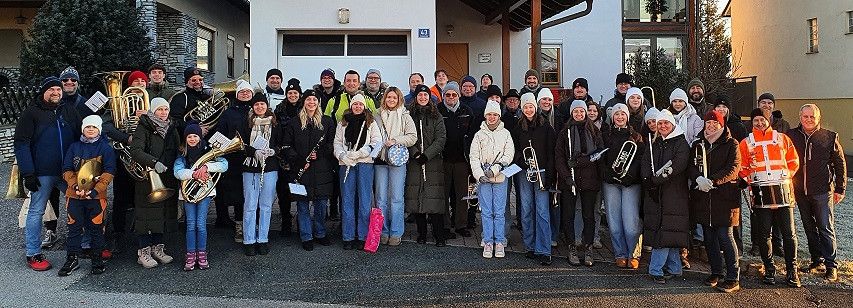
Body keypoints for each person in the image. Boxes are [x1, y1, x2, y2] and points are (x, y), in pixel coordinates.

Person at [15, 77, 82, 271]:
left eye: (58, 89)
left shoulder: (68, 110)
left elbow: (81, 134)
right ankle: (33, 253)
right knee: (36, 211)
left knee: (80, 204)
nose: (56, 92)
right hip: (42, 172)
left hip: (67, 172)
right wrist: (28, 173)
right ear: (44, 91)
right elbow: (21, 144)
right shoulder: (31, 113)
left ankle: (85, 244)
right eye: (51, 89)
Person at [739, 108, 801, 288]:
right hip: (760, 192)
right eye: (756, 120)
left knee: (789, 234)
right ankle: (769, 268)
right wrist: (748, 179)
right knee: (764, 234)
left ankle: (792, 270)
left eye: (762, 120)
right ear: (752, 122)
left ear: (769, 121)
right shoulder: (746, 142)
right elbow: (742, 166)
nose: (759, 123)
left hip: (783, 191)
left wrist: (786, 175)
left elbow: (794, 160)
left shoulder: (782, 138)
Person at [787, 104, 847, 282]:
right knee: (809, 228)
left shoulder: (829, 137)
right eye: (805, 116)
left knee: (825, 227)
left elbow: (840, 163)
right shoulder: (791, 136)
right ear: (800, 117)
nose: (808, 120)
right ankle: (816, 260)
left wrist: (840, 188)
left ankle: (831, 265)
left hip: (822, 191)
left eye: (812, 117)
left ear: (818, 117)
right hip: (800, 191)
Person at [689, 110, 742, 293]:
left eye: (715, 123)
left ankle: (733, 276)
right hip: (704, 198)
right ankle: (716, 272)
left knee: (725, 237)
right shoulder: (698, 144)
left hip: (724, 198)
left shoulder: (731, 143)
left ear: (722, 124)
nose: (711, 126)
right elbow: (691, 166)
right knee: (709, 238)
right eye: (708, 123)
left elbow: (733, 168)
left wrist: (712, 181)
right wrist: (698, 180)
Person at [57, 115, 115, 276]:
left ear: (99, 130)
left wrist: (95, 190)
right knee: (74, 228)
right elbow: (67, 169)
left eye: (94, 127)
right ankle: (72, 258)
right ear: (83, 129)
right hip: (74, 195)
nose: (91, 129)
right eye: (88, 127)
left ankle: (97, 259)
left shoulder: (105, 148)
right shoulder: (74, 147)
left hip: (96, 196)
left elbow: (109, 172)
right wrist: (75, 186)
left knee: (96, 228)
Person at [129, 97, 180, 268]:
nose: (163, 113)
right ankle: (143, 251)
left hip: (167, 177)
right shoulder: (144, 127)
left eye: (166, 109)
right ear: (153, 111)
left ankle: (158, 249)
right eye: (159, 110)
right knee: (146, 214)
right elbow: (135, 151)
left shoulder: (171, 127)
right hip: (148, 177)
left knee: (163, 214)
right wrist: (153, 162)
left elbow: (178, 148)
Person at [641, 109, 691, 284]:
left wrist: (657, 179)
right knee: (663, 229)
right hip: (656, 193)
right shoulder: (654, 143)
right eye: (660, 123)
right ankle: (674, 267)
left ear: (672, 124)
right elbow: (646, 162)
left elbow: (678, 165)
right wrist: (648, 180)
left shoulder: (681, 144)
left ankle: (655, 269)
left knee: (665, 229)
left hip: (674, 193)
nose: (662, 126)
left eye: (666, 123)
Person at [283, 89, 336, 251]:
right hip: (300, 170)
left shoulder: (327, 122)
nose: (311, 102)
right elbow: (286, 146)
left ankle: (320, 233)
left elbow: (332, 144)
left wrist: (319, 154)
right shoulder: (294, 122)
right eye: (308, 100)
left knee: (321, 205)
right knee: (302, 205)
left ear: (318, 102)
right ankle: (306, 236)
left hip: (322, 171)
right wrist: (299, 160)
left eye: (314, 99)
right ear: (303, 102)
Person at [173, 122, 227, 271]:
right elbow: (177, 171)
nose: (192, 139)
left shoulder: (208, 150)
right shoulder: (182, 153)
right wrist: (194, 174)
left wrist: (206, 167)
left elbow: (224, 165)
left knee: (201, 225)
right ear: (185, 138)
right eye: (189, 136)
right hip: (188, 193)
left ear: (200, 136)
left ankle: (202, 253)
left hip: (205, 192)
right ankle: (190, 254)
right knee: (190, 224)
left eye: (195, 136)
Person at [555, 100, 603, 266]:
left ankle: (588, 246)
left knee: (588, 215)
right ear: (571, 113)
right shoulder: (565, 132)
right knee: (568, 215)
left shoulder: (594, 131)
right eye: (576, 111)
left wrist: (581, 162)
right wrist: (567, 177)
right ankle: (571, 247)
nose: (579, 114)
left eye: (581, 111)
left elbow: (599, 154)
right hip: (570, 180)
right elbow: (559, 158)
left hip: (590, 180)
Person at [513, 92, 556, 265]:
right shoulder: (518, 127)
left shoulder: (546, 127)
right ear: (522, 109)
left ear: (535, 107)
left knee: (542, 211)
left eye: (531, 106)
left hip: (542, 172)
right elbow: (514, 149)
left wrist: (550, 177)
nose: (529, 109)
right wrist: (520, 160)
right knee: (527, 209)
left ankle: (544, 249)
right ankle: (530, 246)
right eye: (525, 107)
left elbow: (552, 152)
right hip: (525, 172)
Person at [334, 94, 381, 250]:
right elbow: (337, 142)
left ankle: (362, 236)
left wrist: (360, 153)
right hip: (346, 163)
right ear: (351, 106)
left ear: (364, 106)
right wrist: (342, 155)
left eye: (361, 104)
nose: (358, 107)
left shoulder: (370, 122)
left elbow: (376, 141)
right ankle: (348, 236)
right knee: (347, 200)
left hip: (364, 164)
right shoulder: (343, 123)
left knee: (364, 200)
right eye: (355, 104)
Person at [601, 103, 644, 270]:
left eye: (623, 114)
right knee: (614, 220)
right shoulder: (605, 136)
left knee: (631, 220)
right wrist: (609, 174)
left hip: (630, 183)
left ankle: (633, 253)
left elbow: (640, 159)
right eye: (617, 114)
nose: (620, 117)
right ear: (612, 118)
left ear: (627, 117)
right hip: (611, 183)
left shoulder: (636, 136)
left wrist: (629, 175)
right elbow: (601, 158)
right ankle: (619, 253)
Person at [469, 100, 514, 258]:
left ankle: (499, 241)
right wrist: (479, 174)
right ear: (485, 116)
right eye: (490, 114)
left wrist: (495, 169)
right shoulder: (479, 135)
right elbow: (473, 157)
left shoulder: (506, 134)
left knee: (499, 211)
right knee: (487, 211)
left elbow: (508, 155)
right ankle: (488, 241)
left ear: (499, 116)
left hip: (499, 177)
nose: (492, 117)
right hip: (483, 178)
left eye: (495, 114)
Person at [238, 94, 282, 256]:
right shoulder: (246, 123)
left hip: (270, 168)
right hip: (250, 167)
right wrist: (254, 151)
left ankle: (263, 238)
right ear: (253, 107)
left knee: (266, 205)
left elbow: (280, 144)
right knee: (250, 205)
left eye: (262, 104)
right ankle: (249, 240)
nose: (260, 107)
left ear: (267, 106)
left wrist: (273, 151)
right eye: (256, 105)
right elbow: (240, 144)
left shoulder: (275, 124)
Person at [373, 87, 417, 246]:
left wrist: (396, 140)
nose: (391, 100)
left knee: (397, 198)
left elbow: (413, 137)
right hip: (380, 160)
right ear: (384, 98)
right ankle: (382, 231)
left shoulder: (405, 116)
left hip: (398, 160)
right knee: (380, 198)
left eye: (394, 97)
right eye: (388, 97)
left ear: (399, 99)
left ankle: (396, 232)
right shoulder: (376, 115)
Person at [406, 85, 448, 247]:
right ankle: (421, 233)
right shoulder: (409, 115)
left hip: (433, 162)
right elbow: (406, 135)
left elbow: (441, 138)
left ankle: (439, 235)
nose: (422, 98)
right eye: (420, 95)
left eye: (425, 95)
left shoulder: (436, 115)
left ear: (429, 97)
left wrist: (427, 155)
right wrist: (415, 153)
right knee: (417, 198)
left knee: (435, 198)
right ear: (415, 97)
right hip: (415, 162)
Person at [215, 80, 253, 242]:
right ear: (237, 95)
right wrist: (225, 149)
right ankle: (239, 225)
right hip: (235, 158)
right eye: (242, 92)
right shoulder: (228, 113)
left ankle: (252, 225)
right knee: (238, 194)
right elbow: (218, 135)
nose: (245, 94)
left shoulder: (257, 109)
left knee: (253, 194)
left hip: (254, 158)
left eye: (248, 92)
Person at [437, 82, 474, 238]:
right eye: (447, 94)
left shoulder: (467, 110)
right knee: (443, 194)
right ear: (443, 95)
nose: (451, 97)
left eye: (453, 94)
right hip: (443, 159)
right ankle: (445, 225)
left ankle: (461, 224)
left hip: (461, 160)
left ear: (458, 95)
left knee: (462, 194)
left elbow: (473, 135)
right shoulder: (438, 110)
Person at [274, 77, 302, 237]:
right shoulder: (279, 109)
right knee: (283, 191)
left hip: (300, 156)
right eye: (290, 93)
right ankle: (286, 219)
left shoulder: (305, 107)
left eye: (295, 92)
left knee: (300, 190)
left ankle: (301, 220)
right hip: (284, 157)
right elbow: (277, 131)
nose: (292, 95)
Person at [169, 67, 212, 136]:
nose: (198, 82)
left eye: (200, 79)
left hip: (208, 135)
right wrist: (196, 129)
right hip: (188, 138)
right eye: (193, 80)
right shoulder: (180, 97)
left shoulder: (207, 97)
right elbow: (174, 121)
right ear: (187, 83)